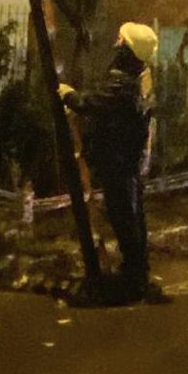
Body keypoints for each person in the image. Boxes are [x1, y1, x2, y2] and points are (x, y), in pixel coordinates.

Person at [59, 22, 166, 303]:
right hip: (127, 158)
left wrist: (67, 95)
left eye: (121, 39)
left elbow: (89, 102)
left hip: (118, 159)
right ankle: (137, 272)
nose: (115, 42)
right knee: (132, 215)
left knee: (124, 217)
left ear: (128, 49)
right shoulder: (140, 78)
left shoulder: (122, 84)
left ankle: (132, 280)